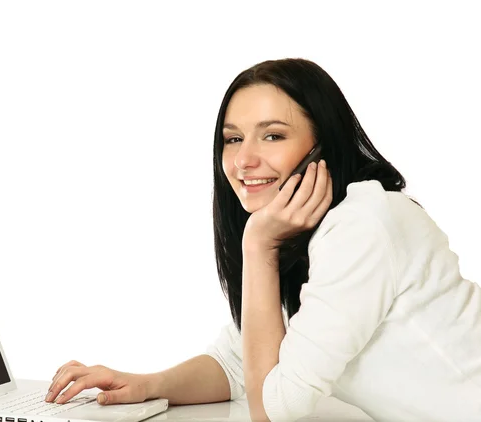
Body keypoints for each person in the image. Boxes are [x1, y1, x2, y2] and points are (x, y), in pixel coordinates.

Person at [43, 58, 481, 421]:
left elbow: (274, 411)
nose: (244, 160)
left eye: (273, 135)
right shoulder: (305, 234)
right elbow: (239, 362)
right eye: (232, 139)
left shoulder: (363, 223)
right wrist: (146, 385)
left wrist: (258, 247)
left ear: (322, 145)